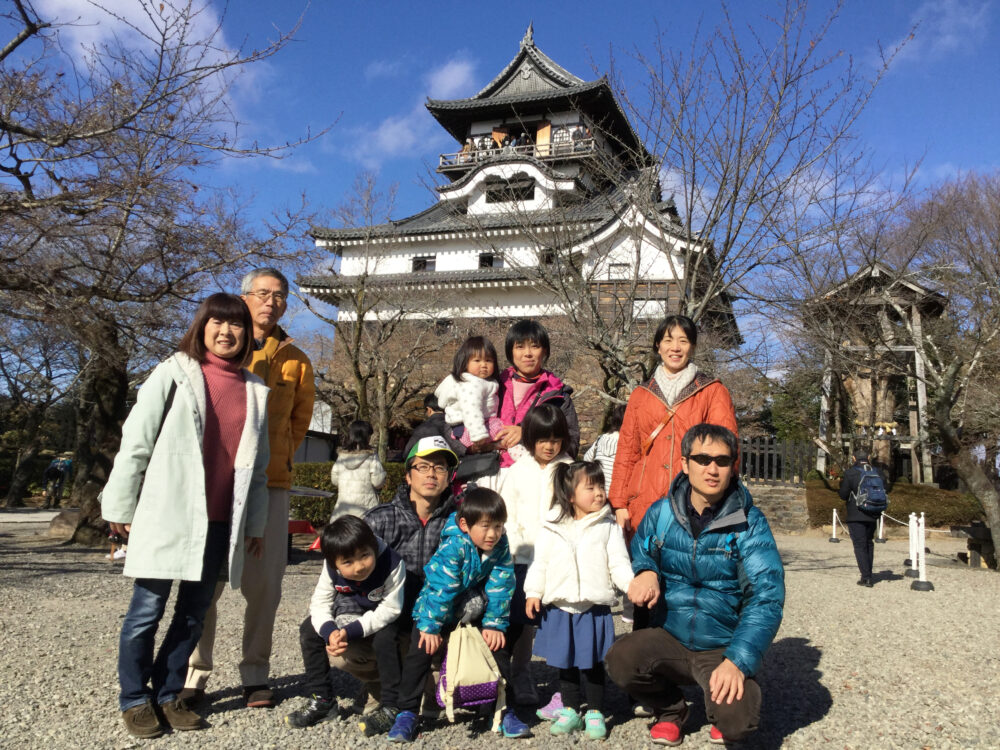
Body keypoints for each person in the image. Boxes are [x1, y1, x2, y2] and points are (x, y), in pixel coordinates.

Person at [101, 293, 270, 739]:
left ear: (247, 334)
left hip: (220, 522)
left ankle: (169, 692)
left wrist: (254, 524)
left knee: (194, 613)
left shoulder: (256, 390)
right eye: (218, 321)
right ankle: (135, 699)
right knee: (146, 611)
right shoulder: (173, 372)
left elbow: (258, 469)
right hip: (168, 513)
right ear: (202, 325)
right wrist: (119, 504)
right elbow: (136, 438)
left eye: (237, 325)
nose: (227, 331)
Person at [605, 424, 784, 747]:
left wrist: (737, 662)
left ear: (733, 466)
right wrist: (645, 570)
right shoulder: (661, 512)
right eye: (702, 459)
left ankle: (721, 704)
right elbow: (642, 550)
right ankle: (671, 710)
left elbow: (766, 598)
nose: (712, 469)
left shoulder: (750, 522)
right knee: (622, 658)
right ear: (685, 464)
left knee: (737, 723)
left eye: (722, 461)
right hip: (669, 635)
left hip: (721, 644)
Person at [184, 267, 315, 709]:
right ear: (245, 296)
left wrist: (275, 457)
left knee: (265, 587)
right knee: (205, 584)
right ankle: (194, 672)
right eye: (262, 293)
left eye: (280, 295)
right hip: (215, 483)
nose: (271, 302)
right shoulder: (216, 349)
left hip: (272, 483)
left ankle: (255, 672)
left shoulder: (297, 359)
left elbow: (300, 422)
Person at [386, 488, 531, 742]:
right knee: (420, 649)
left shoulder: (500, 545)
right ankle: (407, 712)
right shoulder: (454, 545)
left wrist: (494, 623)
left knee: (498, 648)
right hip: (435, 608)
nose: (492, 534)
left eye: (498, 526)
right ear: (465, 524)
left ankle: (503, 708)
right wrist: (430, 627)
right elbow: (441, 588)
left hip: (471, 607)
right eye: (485, 526)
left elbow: (502, 583)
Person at [331, 436, 459, 715]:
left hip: (436, 622)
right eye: (423, 467)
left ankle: (430, 680)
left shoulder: (459, 521)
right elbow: (347, 581)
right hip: (386, 620)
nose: (431, 474)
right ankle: (380, 688)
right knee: (343, 651)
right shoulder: (379, 520)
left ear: (449, 477)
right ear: (408, 476)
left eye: (440, 467)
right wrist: (345, 622)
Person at [524, 461, 634, 740]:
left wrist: (631, 586)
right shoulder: (551, 527)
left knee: (594, 662)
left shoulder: (607, 526)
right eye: (591, 487)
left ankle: (596, 711)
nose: (599, 493)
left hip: (593, 607)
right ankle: (571, 710)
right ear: (570, 496)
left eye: (601, 487)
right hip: (560, 606)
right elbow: (540, 564)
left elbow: (619, 563)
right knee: (567, 663)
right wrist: (533, 592)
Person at [285, 516, 406, 735]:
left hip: (384, 618)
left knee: (386, 639)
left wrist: (349, 632)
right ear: (334, 563)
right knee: (308, 631)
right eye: (348, 562)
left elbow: (391, 609)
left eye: (365, 556)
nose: (359, 566)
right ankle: (322, 700)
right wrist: (330, 632)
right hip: (349, 615)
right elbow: (320, 602)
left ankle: (391, 705)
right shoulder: (330, 565)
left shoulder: (392, 562)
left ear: (373, 546)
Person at [497, 404, 573, 707]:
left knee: (562, 621)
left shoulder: (569, 470)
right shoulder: (517, 471)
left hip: (557, 558)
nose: (549, 446)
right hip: (522, 557)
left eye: (555, 439)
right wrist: (517, 548)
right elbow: (506, 514)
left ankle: (568, 685)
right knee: (521, 621)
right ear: (530, 438)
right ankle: (519, 673)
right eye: (542, 439)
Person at [496, 319, 580, 468]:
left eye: (535, 346)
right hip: (491, 474)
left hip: (534, 476)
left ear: (545, 351)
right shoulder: (493, 386)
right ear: (511, 351)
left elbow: (571, 444)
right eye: (520, 347)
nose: (528, 354)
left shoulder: (558, 396)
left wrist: (527, 434)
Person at [433, 336, 509, 455]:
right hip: (470, 430)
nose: (484, 365)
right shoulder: (472, 384)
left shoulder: (480, 381)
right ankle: (504, 448)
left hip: (468, 428)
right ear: (464, 362)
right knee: (507, 435)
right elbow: (471, 409)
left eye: (488, 360)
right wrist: (478, 435)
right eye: (477, 360)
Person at [838, 448, 887, 587]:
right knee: (869, 543)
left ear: (854, 458)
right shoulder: (878, 472)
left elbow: (843, 494)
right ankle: (868, 574)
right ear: (869, 457)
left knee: (859, 545)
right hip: (873, 512)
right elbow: (886, 489)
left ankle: (866, 577)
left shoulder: (850, 473)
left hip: (856, 513)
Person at [330, 420, 387, 520]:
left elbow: (334, 480)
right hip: (366, 511)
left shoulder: (341, 456)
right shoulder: (371, 456)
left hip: (343, 510)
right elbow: (378, 482)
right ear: (366, 437)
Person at [403, 393, 465, 459]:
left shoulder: (422, 429)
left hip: (429, 463)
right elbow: (462, 450)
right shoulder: (457, 424)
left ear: (429, 410)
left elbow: (407, 453)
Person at [584, 404, 626, 494]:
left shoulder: (600, 439)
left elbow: (587, 459)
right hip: (616, 494)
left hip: (597, 492)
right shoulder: (626, 446)